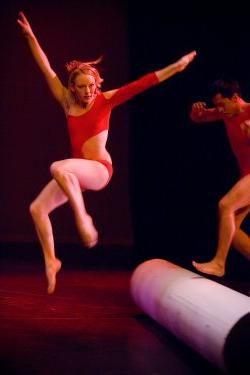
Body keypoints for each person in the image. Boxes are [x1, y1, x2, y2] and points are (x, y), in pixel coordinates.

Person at [17, 11, 196, 294]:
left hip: (99, 170)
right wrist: (31, 37)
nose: (88, 91)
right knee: (37, 209)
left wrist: (176, 66)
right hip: (78, 174)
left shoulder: (105, 100)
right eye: (82, 87)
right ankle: (52, 260)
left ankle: (84, 219)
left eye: (92, 86)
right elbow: (47, 68)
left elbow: (142, 84)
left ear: (96, 84)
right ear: (73, 88)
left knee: (59, 167)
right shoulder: (66, 102)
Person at [190, 78, 250, 277]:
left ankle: (219, 264)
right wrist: (196, 111)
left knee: (225, 206)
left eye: (222, 105)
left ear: (235, 98)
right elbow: (199, 118)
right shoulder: (226, 112)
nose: (220, 110)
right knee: (230, 230)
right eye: (217, 106)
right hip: (247, 174)